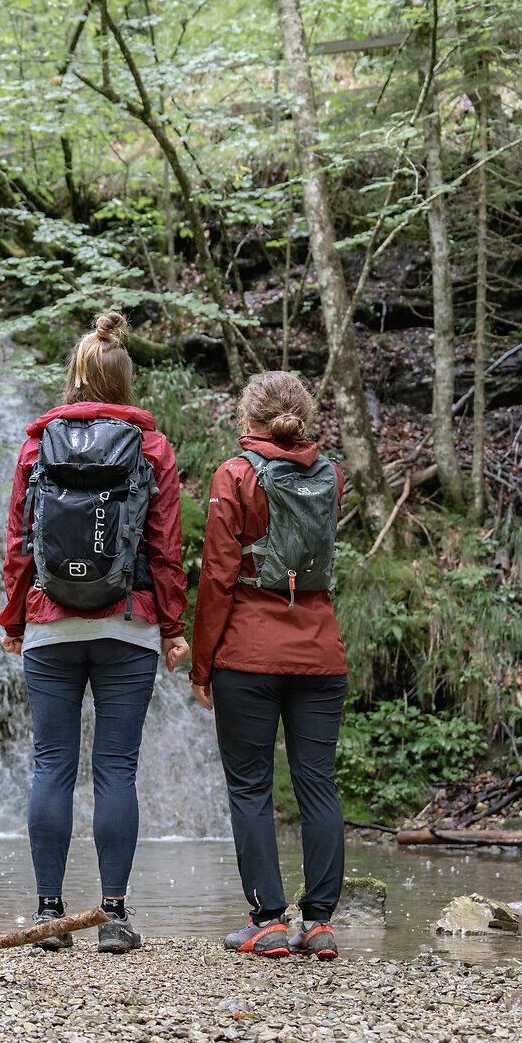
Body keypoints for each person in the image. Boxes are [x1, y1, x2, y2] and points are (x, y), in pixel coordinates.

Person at [0, 311, 189, 954]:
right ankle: (113, 916)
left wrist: (14, 619)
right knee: (116, 770)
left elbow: (19, 543)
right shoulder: (151, 448)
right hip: (129, 624)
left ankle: (49, 916)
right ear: (124, 380)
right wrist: (172, 628)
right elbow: (165, 547)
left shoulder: (37, 446)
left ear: (74, 378)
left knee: (51, 766)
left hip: (49, 621)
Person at [190, 370, 348, 961]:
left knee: (251, 786)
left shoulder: (234, 476)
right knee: (318, 784)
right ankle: (321, 922)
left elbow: (218, 577)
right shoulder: (330, 476)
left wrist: (201, 665)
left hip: (248, 654)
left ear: (247, 419)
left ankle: (267, 921)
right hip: (320, 651)